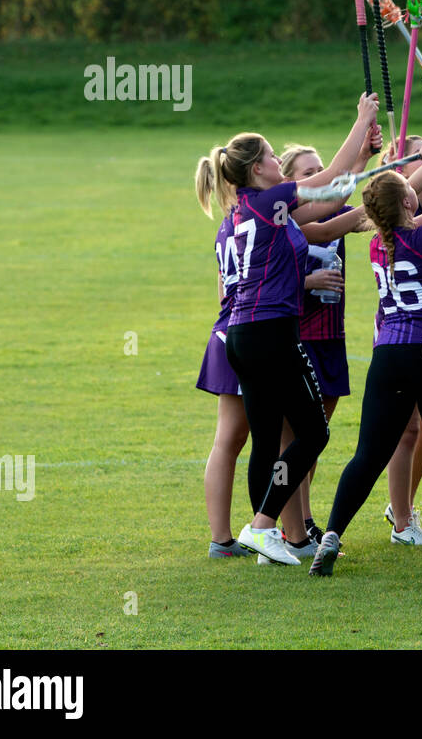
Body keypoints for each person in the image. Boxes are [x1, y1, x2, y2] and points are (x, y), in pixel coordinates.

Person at [204, 92, 378, 565]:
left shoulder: (241, 211)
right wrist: (361, 120)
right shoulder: (270, 200)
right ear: (258, 169)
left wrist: (364, 153)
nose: (277, 163)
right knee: (314, 434)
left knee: (266, 439)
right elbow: (326, 182)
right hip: (271, 332)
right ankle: (263, 526)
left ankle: (269, 536)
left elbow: (328, 200)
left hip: (240, 335)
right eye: (271, 158)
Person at [308, 138, 422, 576]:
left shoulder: (378, 242)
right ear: (408, 199)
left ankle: (330, 536)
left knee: (367, 454)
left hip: (388, 353)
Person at [195, 168, 252, 559]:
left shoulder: (225, 225)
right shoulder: (252, 220)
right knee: (235, 439)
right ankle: (277, 531)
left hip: (226, 329)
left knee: (228, 440)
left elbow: (222, 290)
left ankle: (222, 538)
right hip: (245, 334)